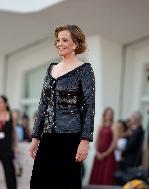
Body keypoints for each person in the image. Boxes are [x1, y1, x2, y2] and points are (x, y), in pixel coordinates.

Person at [29, 24, 95, 189]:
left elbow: (89, 106)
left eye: (64, 40)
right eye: (58, 40)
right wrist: (35, 138)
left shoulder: (84, 70)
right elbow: (43, 105)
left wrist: (85, 140)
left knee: (66, 185)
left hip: (71, 138)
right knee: (39, 183)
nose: (59, 43)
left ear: (76, 44)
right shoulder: (51, 69)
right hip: (48, 137)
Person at [90, 107, 118, 185]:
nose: (109, 115)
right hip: (99, 155)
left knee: (106, 177)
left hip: (108, 156)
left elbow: (114, 143)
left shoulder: (114, 126)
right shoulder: (100, 126)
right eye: (107, 114)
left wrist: (105, 154)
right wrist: (98, 152)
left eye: (110, 114)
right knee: (97, 175)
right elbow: (97, 140)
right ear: (104, 115)